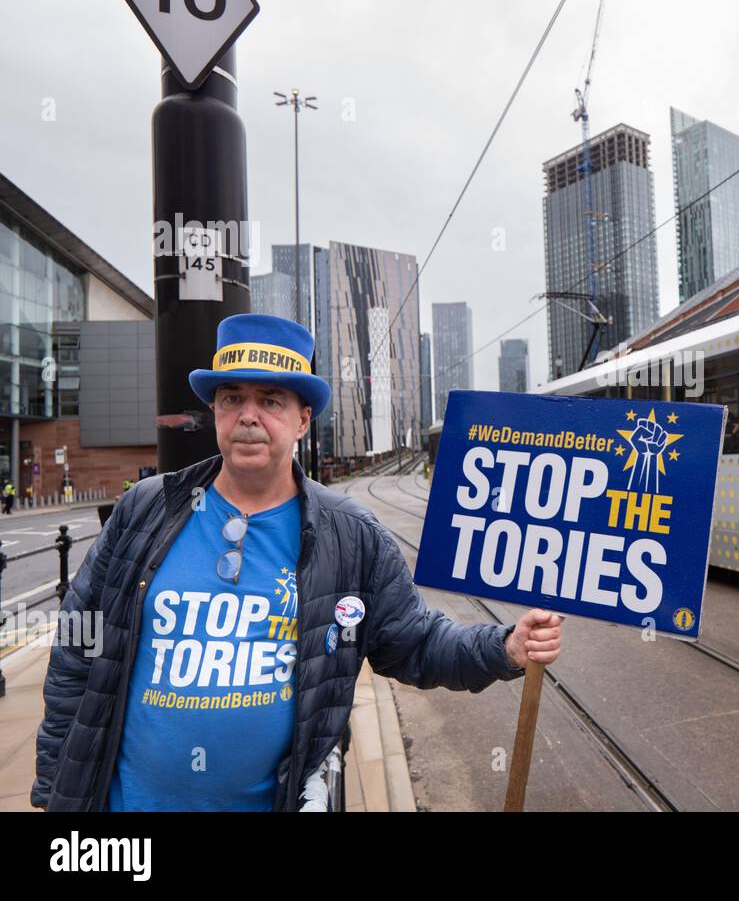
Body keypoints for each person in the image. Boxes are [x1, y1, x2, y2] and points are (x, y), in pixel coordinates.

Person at [32, 314, 563, 812]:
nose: (249, 416)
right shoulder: (147, 508)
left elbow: (414, 642)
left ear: (303, 418)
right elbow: (77, 650)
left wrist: (505, 647)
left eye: (271, 400)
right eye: (232, 397)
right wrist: (57, 789)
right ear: (215, 410)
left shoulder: (350, 536)